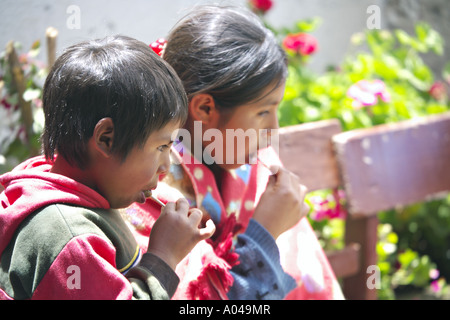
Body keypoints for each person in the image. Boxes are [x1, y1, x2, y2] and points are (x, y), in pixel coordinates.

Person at [125, 5, 344, 300]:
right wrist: (262, 236)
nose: (274, 130)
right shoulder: (146, 192)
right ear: (204, 108)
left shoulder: (254, 163)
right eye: (263, 112)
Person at [0, 35, 215, 300]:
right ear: (106, 139)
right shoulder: (70, 239)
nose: (165, 166)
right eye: (161, 147)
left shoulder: (51, 183)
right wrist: (164, 256)